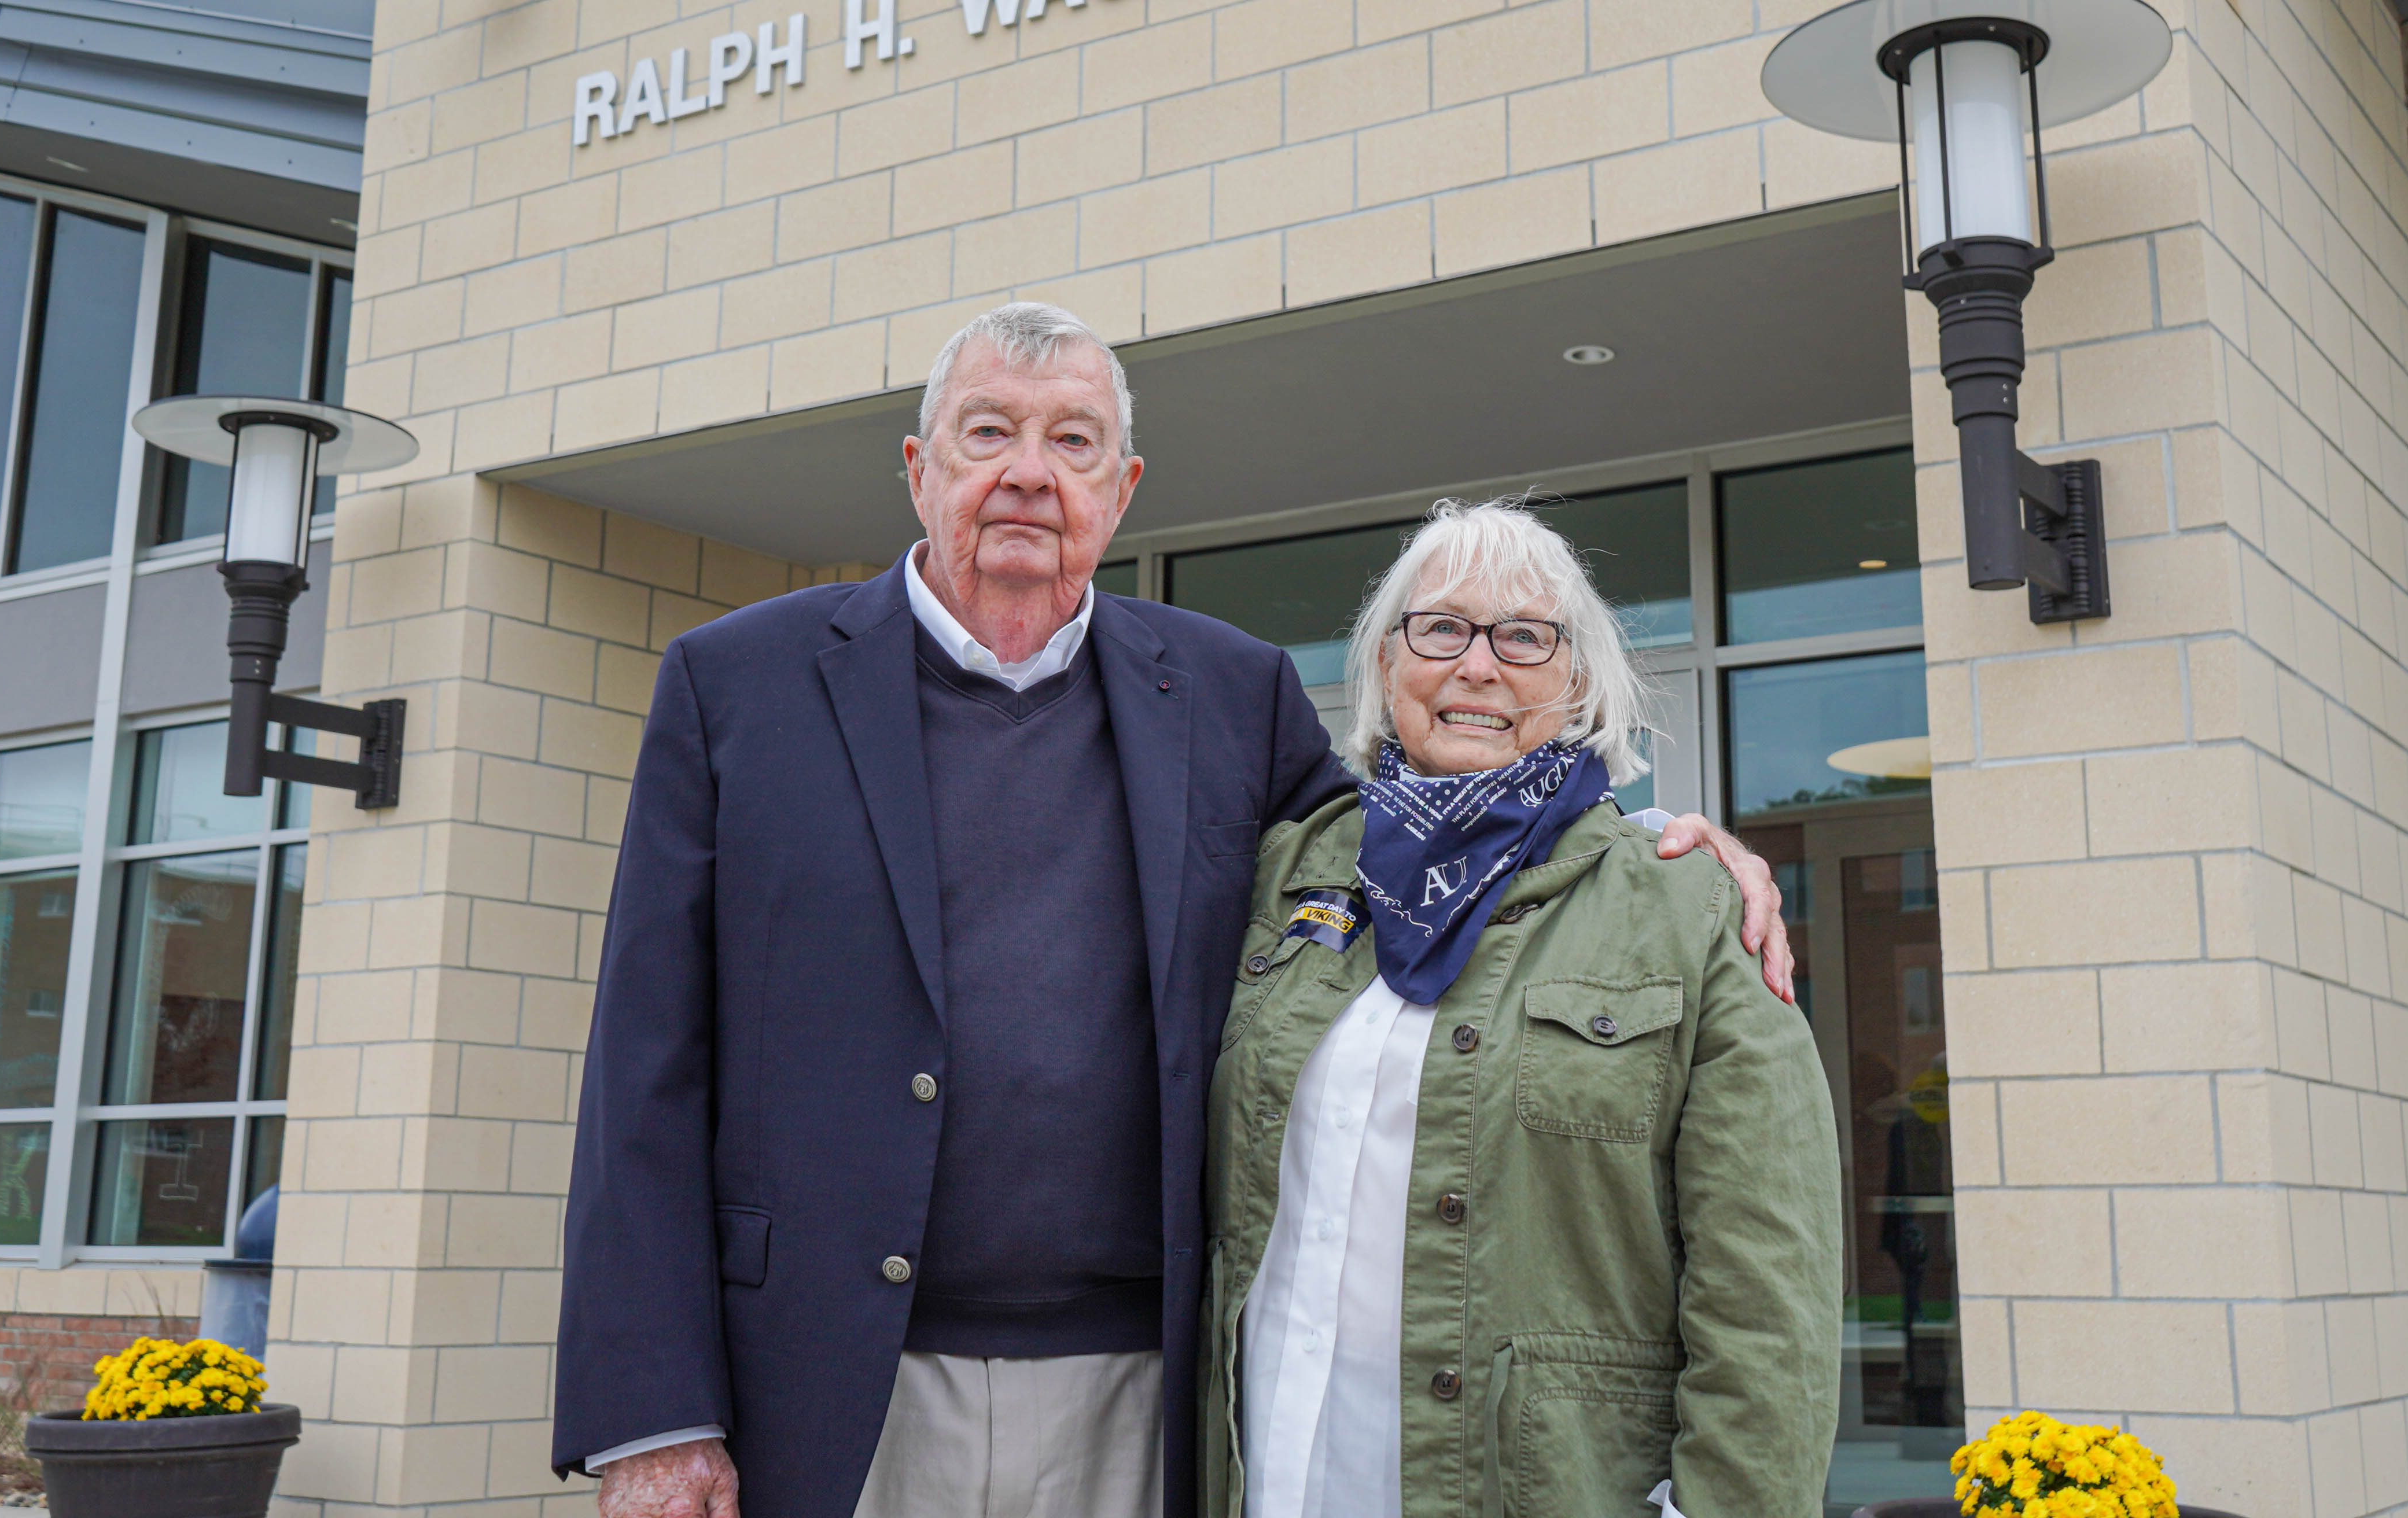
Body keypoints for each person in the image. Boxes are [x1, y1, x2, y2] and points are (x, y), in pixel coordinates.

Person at [557, 306, 1793, 1518]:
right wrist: (654, 1413)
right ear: (919, 466)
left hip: (1146, 1394)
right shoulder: (737, 684)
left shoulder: (1226, 689)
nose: (1030, 474)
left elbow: (1422, 845)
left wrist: (1644, 847)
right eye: (989, 432)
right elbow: (645, 1060)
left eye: (1075, 442)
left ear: (1126, 485)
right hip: (827, 1384)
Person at [1205, 500, 1842, 1518]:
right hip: (1274, 1480)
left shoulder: (1686, 910)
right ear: (1384, 665)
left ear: (1578, 684)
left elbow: (1770, 1287)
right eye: (1442, 627)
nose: (1478, 665)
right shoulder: (1280, 880)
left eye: (1525, 637)